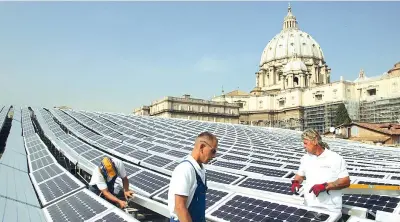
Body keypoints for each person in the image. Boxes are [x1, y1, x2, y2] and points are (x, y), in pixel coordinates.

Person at [291, 128, 350, 217]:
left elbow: (345, 181)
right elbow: (300, 175)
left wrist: (325, 186)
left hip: (330, 208)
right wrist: (296, 182)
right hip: (310, 205)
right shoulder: (305, 158)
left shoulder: (334, 158)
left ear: (315, 141)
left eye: (305, 143)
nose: (304, 146)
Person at [168, 132, 218, 222]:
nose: (214, 156)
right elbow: (180, 207)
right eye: (213, 151)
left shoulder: (200, 170)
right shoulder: (185, 169)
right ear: (202, 147)